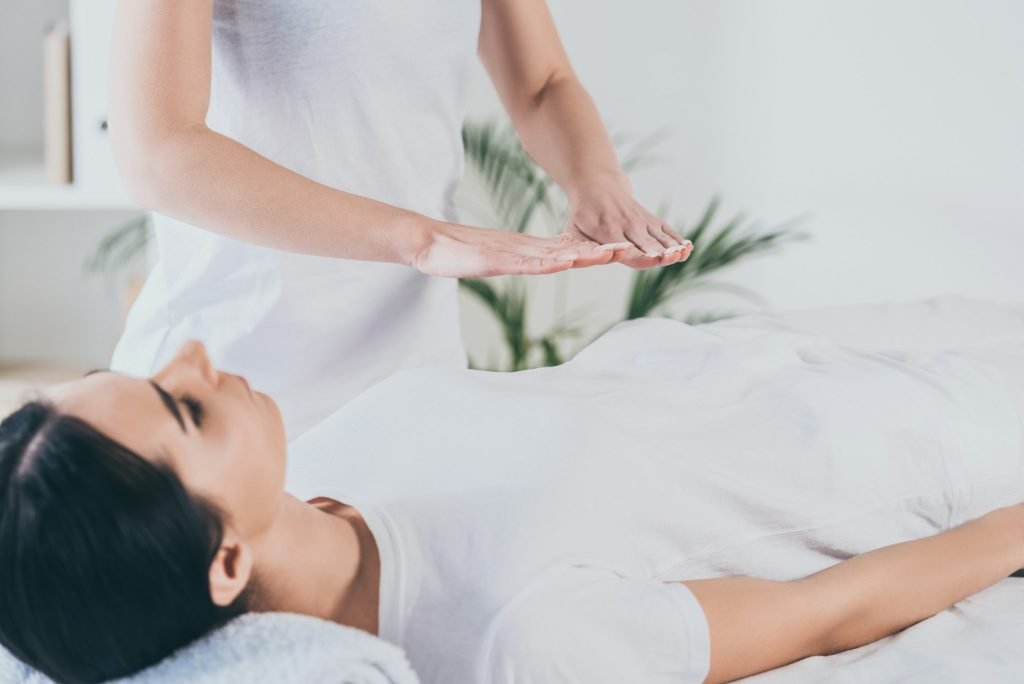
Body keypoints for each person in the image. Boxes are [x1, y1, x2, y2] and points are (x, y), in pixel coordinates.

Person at [2, 302, 1024, 683]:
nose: (191, 353)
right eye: (186, 411)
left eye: (146, 376)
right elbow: (825, 615)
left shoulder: (327, 456)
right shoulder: (521, 638)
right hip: (932, 446)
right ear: (226, 560)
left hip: (807, 345)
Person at [108, 0, 692, 439]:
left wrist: (597, 181)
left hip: (414, 380)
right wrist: (418, 238)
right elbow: (159, 152)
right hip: (227, 390)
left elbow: (543, 83)